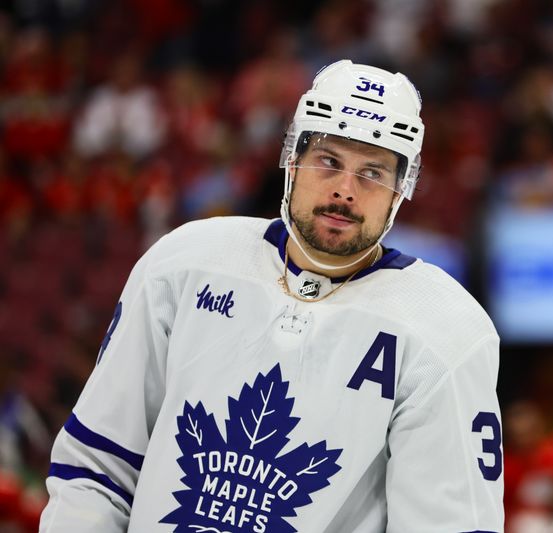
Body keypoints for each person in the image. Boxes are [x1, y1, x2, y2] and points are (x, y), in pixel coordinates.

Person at [40, 60, 504, 532]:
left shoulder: (443, 332)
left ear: (400, 189)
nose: (345, 190)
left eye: (373, 173)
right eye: (329, 161)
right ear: (292, 158)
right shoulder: (184, 265)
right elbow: (95, 470)